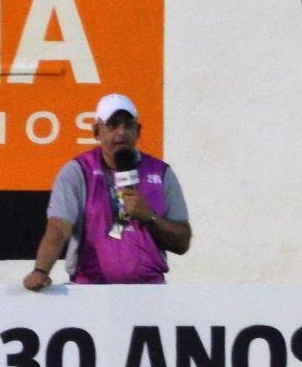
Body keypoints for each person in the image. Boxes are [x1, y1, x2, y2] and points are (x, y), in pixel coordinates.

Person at [23, 93, 191, 289]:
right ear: (96, 131)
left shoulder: (160, 173)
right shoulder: (78, 172)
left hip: (150, 294)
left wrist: (149, 217)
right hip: (91, 292)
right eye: (112, 125)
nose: (121, 133)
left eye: (128, 125)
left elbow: (182, 242)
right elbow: (59, 229)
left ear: (138, 131)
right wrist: (41, 270)